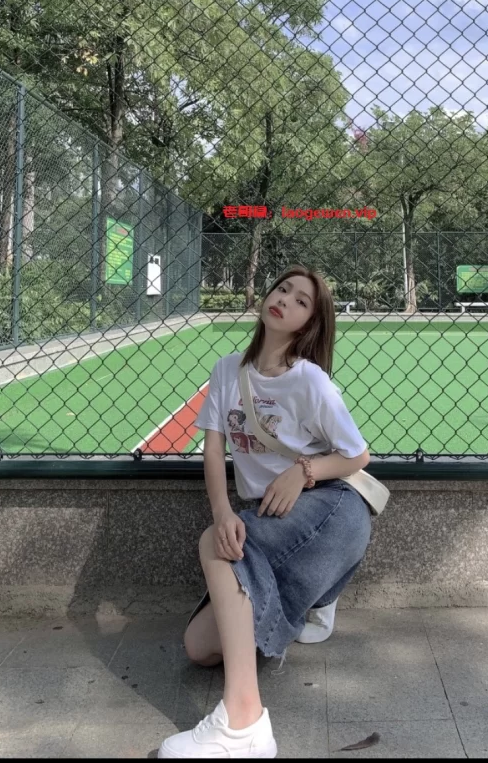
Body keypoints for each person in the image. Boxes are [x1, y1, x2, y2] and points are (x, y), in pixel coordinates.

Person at [158, 265, 372, 759]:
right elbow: (214, 450)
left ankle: (244, 723)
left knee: (217, 548)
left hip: (331, 507)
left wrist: (304, 471)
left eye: (301, 302)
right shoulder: (227, 370)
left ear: (308, 323)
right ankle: (300, 599)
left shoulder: (309, 380)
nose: (285, 301)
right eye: (283, 289)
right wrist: (222, 511)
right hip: (270, 517)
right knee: (199, 648)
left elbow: (358, 456)